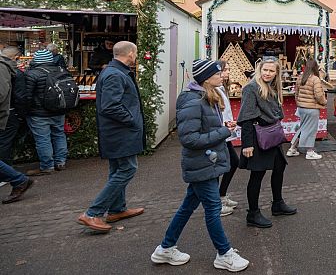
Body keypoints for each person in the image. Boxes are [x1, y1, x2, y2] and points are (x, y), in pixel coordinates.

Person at [150, 59, 250, 271]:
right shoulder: (194, 101)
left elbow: (201, 130)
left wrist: (223, 126)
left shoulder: (205, 96)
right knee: (213, 209)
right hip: (202, 163)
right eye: (217, 73)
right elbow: (189, 139)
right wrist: (224, 131)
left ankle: (165, 248)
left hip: (207, 162)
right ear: (206, 77)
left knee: (188, 206)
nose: (222, 75)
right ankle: (224, 253)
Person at [77, 41, 145, 232]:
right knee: (127, 169)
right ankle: (92, 213)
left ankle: (117, 209)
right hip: (120, 132)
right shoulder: (115, 74)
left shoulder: (114, 72)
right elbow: (110, 106)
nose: (136, 56)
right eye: (136, 53)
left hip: (116, 132)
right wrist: (131, 120)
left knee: (118, 169)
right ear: (130, 53)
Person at [237, 59, 296, 228]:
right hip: (257, 137)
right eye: (265, 70)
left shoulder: (272, 87)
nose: (267, 73)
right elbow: (247, 118)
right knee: (257, 175)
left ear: (276, 73)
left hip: (272, 135)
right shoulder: (251, 88)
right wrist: (247, 144)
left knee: (279, 168)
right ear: (259, 69)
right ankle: (253, 214)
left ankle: (277, 204)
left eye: (271, 71)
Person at [22, 49, 68, 176]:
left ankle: (47, 166)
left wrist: (25, 110)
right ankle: (61, 162)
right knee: (59, 134)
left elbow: (27, 96)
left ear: (36, 60)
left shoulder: (31, 74)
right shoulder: (61, 70)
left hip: (39, 113)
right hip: (59, 110)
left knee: (43, 139)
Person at [0, 48, 34, 203]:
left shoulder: (3, 68)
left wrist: (20, 114)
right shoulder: (10, 69)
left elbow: (3, 94)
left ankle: (17, 179)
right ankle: (18, 179)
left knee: (4, 145)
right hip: (10, 113)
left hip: (8, 114)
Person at [288, 60, 327, 160]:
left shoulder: (300, 77)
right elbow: (319, 95)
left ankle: (292, 149)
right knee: (310, 130)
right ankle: (310, 151)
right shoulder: (315, 79)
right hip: (312, 108)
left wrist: (299, 103)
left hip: (301, 108)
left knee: (302, 128)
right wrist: (324, 102)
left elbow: (296, 93)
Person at [216, 60, 239, 217]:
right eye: (225, 70)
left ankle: (221, 196)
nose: (227, 72)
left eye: (228, 69)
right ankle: (217, 201)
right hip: (221, 133)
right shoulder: (214, 89)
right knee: (224, 165)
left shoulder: (221, 88)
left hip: (226, 131)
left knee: (232, 163)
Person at [0, 46, 27, 165]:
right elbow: (19, 97)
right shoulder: (14, 72)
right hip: (8, 112)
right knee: (5, 142)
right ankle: (6, 172)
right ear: (15, 58)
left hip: (6, 111)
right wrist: (21, 115)